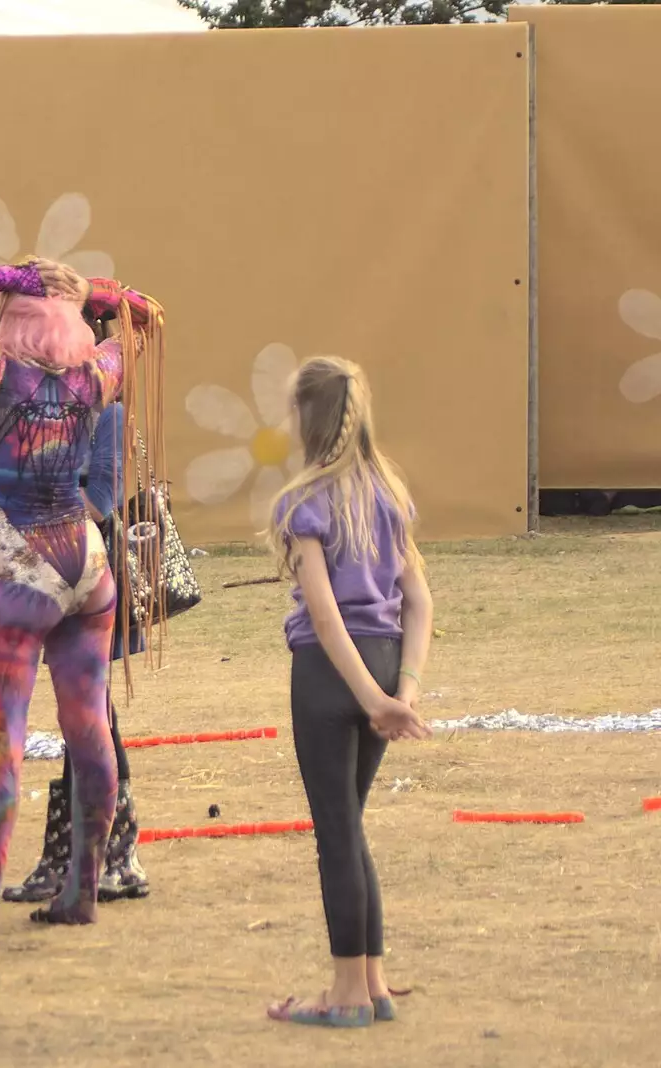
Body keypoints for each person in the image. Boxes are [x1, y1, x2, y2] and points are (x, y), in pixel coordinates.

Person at [0, 259, 147, 942]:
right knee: (89, 730)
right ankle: (83, 890)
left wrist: (3, 272)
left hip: (19, 572)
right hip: (86, 566)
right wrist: (85, 288)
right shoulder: (95, 375)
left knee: (1, 746)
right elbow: (141, 314)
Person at [264, 356, 432, 1028]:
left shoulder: (302, 502)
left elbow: (327, 617)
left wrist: (372, 698)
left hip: (333, 678)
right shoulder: (390, 493)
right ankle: (374, 980)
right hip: (385, 667)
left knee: (336, 834)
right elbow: (418, 600)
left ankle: (347, 997)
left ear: (306, 417)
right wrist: (403, 689)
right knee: (350, 827)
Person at [5, 288, 159, 905]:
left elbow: (105, 493)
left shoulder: (109, 416)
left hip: (91, 576)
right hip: (55, 578)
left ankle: (111, 853)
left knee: (94, 721)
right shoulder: (50, 410)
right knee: (85, 722)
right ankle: (76, 854)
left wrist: (48, 516)